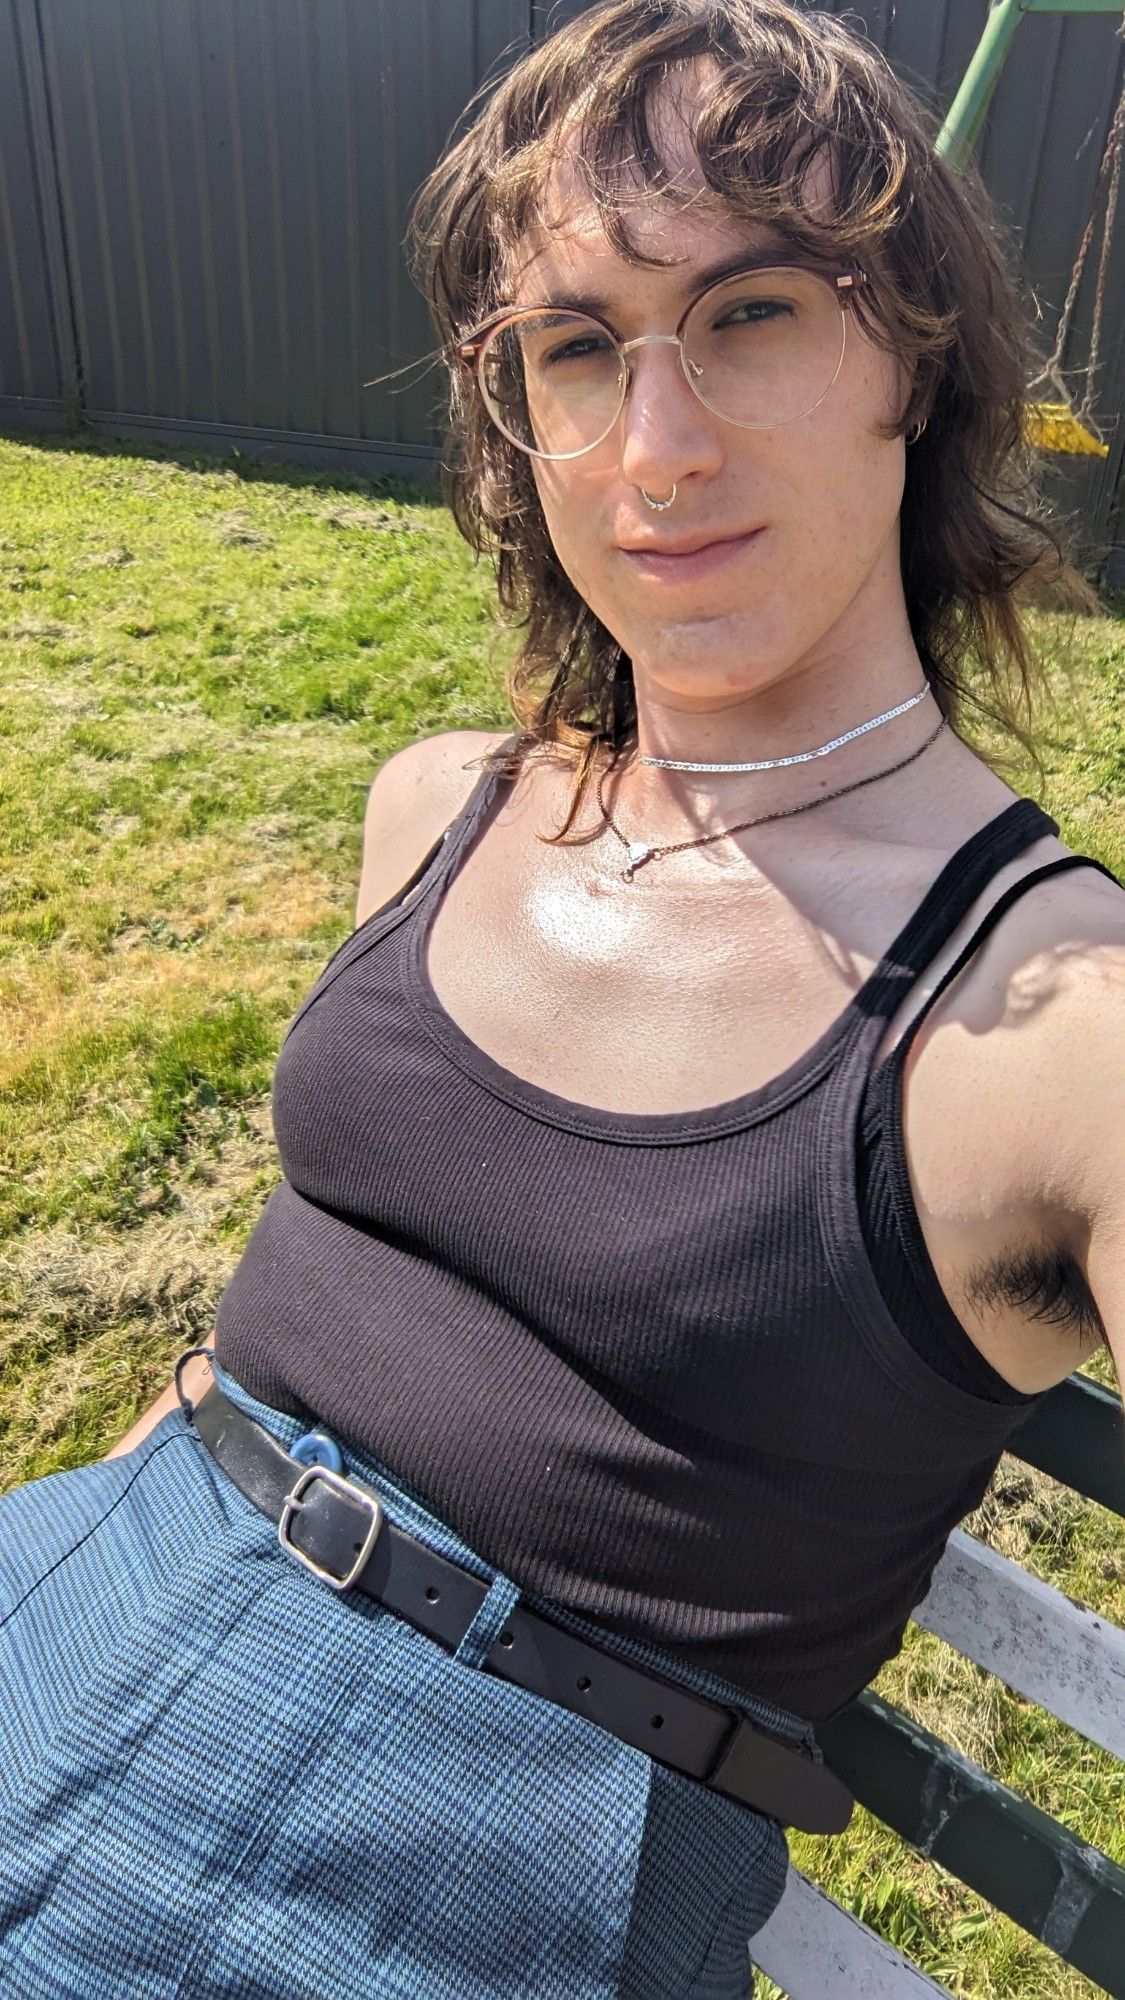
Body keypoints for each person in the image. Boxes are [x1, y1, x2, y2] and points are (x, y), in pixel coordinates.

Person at [2, 2, 1122, 1995]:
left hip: (468, 1836)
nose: (654, 443)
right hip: (91, 1559)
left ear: (912, 364)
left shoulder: (1046, 1017)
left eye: (752, 309)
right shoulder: (440, 802)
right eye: (576, 347)